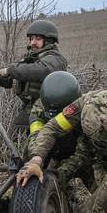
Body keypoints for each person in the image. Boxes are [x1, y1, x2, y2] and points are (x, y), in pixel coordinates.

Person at [27, 71, 93, 204]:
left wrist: (60, 174)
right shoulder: (39, 108)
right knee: (30, 169)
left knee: (94, 186)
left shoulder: (85, 110)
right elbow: (36, 138)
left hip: (80, 151)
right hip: (51, 146)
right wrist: (35, 162)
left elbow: (84, 153)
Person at [0, 20, 68, 126]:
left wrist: (10, 70)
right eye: (32, 39)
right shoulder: (31, 59)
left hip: (50, 113)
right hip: (30, 109)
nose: (33, 42)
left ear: (49, 41)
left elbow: (43, 71)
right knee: (18, 133)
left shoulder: (55, 59)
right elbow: (10, 82)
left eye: (38, 39)